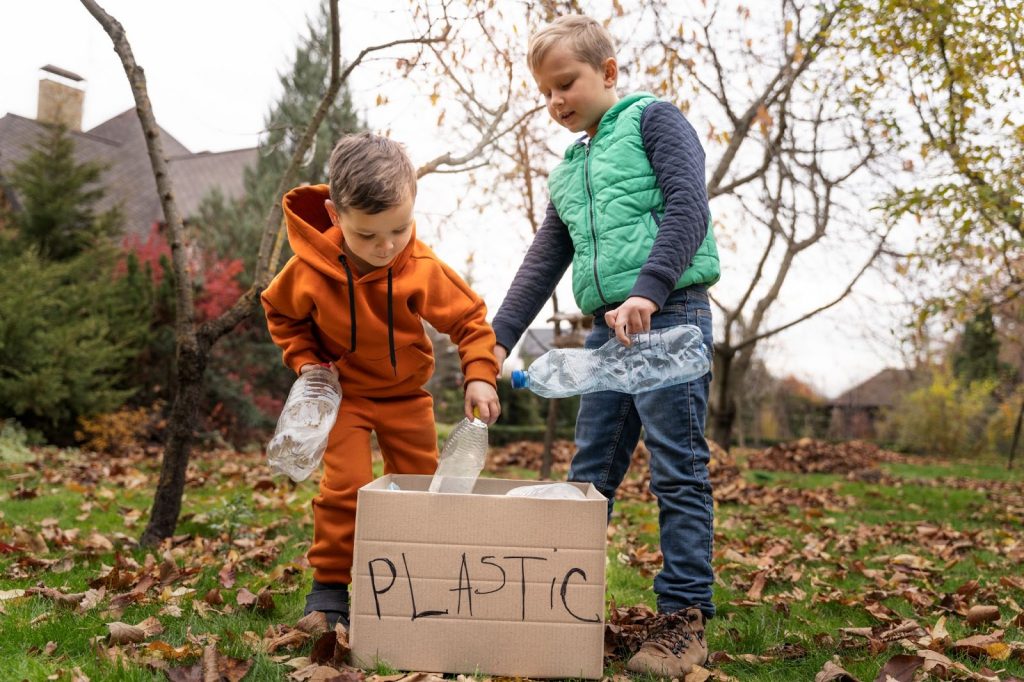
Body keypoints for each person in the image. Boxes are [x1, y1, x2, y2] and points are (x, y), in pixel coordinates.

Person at [490, 14, 720, 677]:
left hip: (669, 316)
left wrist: (648, 288)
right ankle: (563, 612)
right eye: (546, 93)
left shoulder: (655, 121)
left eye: (567, 83)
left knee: (676, 466)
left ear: (608, 73)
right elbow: (543, 261)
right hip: (605, 335)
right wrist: (496, 338)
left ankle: (682, 621)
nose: (557, 101)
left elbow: (687, 208)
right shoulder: (570, 170)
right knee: (588, 474)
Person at [261, 132, 501, 629]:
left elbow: (470, 320)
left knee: (424, 488)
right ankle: (328, 589)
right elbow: (280, 314)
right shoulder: (306, 271)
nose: (386, 246)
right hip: (343, 397)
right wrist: (306, 362)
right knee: (345, 487)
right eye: (367, 235)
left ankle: (420, 577)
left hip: (405, 398)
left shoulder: (420, 267)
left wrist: (481, 376)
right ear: (334, 215)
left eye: (399, 229)